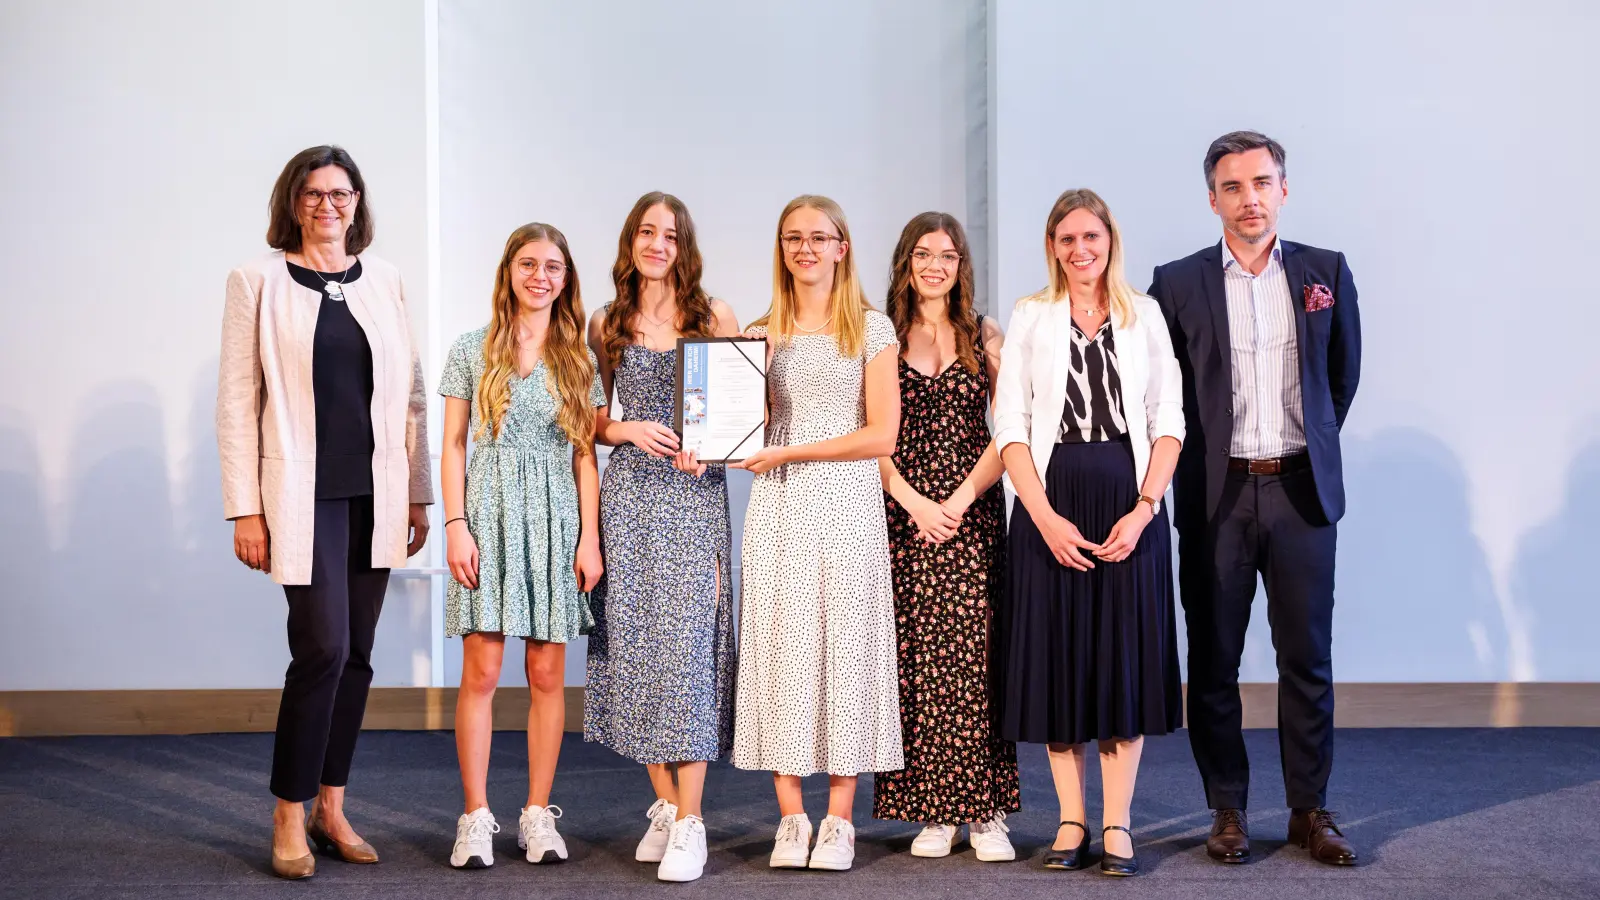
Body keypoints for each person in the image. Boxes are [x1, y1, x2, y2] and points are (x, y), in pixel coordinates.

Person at [217, 145, 432, 880]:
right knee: (323, 652)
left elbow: (410, 397)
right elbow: (237, 404)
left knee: (362, 657)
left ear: (357, 202)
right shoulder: (258, 282)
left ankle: (331, 805)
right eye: (313, 193)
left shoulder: (388, 282)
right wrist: (244, 509)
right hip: (299, 498)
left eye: (341, 193)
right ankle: (287, 808)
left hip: (376, 492)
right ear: (293, 201)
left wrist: (418, 492)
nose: (328, 205)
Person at [1148, 130, 1361, 866]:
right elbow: (1161, 393)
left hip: (1302, 491)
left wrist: (1308, 449)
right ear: (1212, 199)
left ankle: (1310, 810)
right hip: (1218, 494)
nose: (1249, 199)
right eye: (1233, 187)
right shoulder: (1175, 285)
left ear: (1284, 189)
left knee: (1308, 659)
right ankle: (1229, 811)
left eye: (1262, 183)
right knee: (1213, 662)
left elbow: (1340, 382)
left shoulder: (1324, 271)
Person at [993, 188, 1185, 877]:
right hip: (1051, 501)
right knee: (1059, 664)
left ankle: (1118, 823)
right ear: (1052, 246)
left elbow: (1170, 420)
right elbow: (1009, 425)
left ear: (1110, 242)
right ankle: (1071, 822)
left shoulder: (1147, 316)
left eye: (1091, 239)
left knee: (1121, 667)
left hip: (1127, 501)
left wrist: (1144, 509)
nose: (1080, 251)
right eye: (1067, 239)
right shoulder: (1030, 316)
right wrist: (1042, 518)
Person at [725, 194, 902, 873]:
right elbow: (749, 425)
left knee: (845, 650)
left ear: (841, 247)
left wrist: (792, 451)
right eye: (793, 237)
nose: (805, 248)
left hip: (847, 505)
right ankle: (791, 817)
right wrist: (712, 430)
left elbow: (880, 434)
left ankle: (838, 821)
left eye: (819, 237)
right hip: (779, 506)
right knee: (781, 648)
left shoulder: (872, 329)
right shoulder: (764, 329)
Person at [583, 192, 742, 883]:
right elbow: (585, 418)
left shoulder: (715, 317)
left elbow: (745, 414)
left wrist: (711, 448)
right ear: (631, 241)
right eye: (647, 232)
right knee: (638, 651)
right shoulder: (605, 323)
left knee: (689, 654)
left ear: (685, 247)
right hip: (630, 501)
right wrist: (623, 428)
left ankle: (691, 822)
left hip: (693, 498)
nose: (657, 243)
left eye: (670, 235)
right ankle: (669, 806)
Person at [439, 223, 606, 869]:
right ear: (509, 270)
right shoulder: (470, 348)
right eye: (529, 263)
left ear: (566, 280)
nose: (541, 276)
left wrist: (589, 538)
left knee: (546, 675)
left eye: (554, 267)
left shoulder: (578, 359)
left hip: (557, 520)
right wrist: (456, 525)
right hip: (488, 515)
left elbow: (586, 456)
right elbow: (453, 445)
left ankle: (538, 814)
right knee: (481, 672)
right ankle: (475, 816)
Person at [871, 212, 1019, 861]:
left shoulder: (985, 335)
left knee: (976, 662)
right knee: (914, 663)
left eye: (948, 255)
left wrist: (955, 502)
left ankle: (983, 811)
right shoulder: (880, 336)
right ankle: (934, 810)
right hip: (901, 515)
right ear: (906, 261)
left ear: (962, 266)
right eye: (924, 253)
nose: (935, 265)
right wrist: (910, 501)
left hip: (972, 513)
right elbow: (865, 431)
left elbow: (1011, 428)